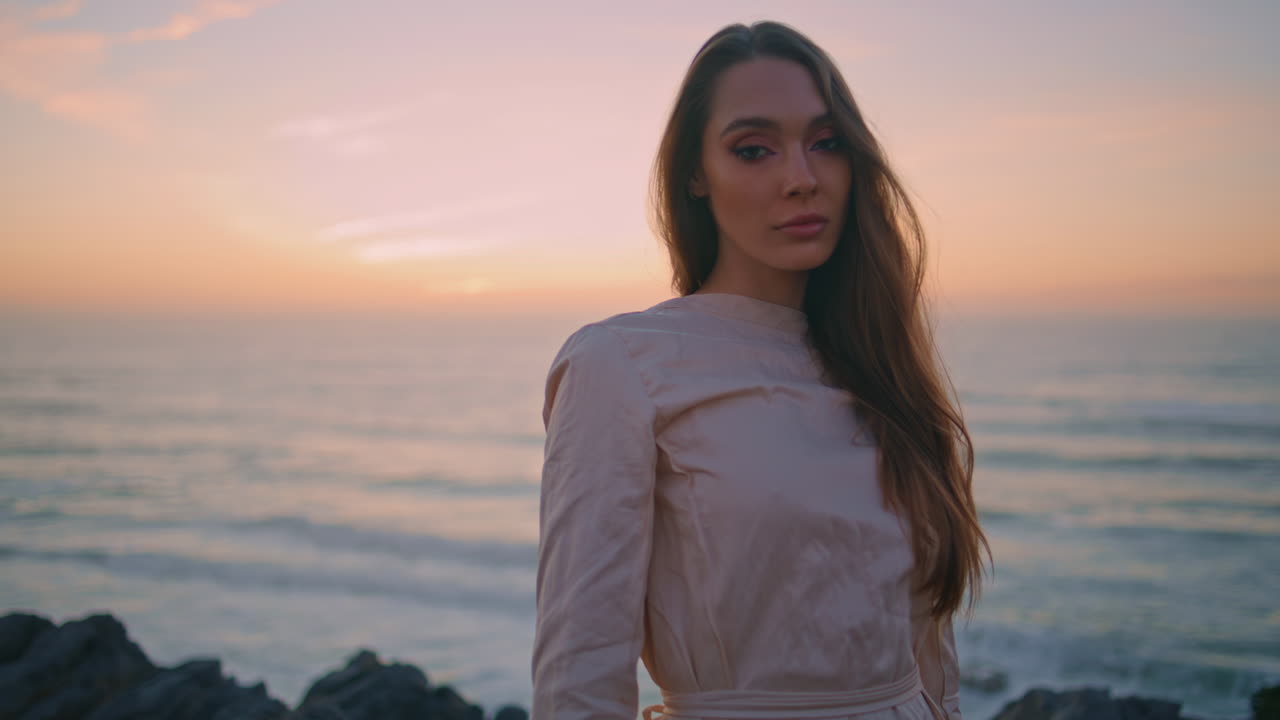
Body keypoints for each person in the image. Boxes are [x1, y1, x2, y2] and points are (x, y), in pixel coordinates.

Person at [532, 20, 989, 720]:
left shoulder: (883, 372)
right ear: (695, 174)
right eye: (753, 150)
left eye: (826, 143)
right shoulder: (620, 364)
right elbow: (578, 677)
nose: (802, 179)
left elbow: (932, 662)